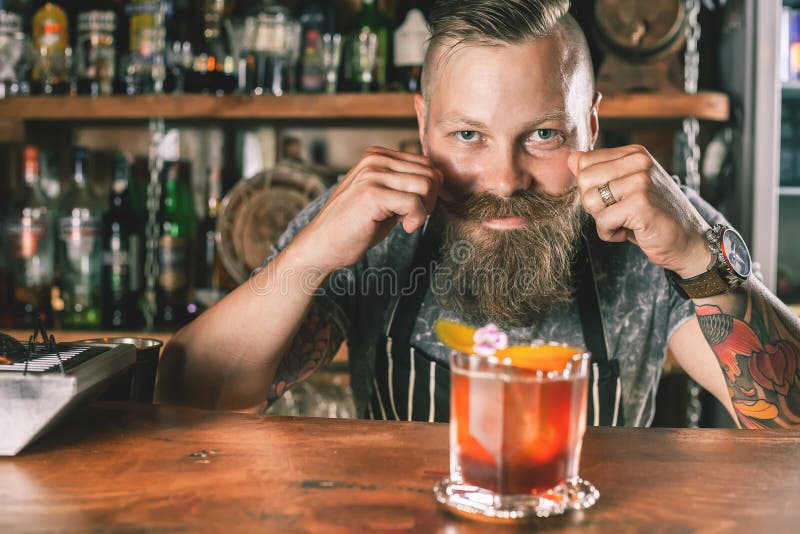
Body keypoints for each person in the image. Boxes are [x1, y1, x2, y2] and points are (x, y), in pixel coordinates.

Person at [156, 0, 800, 429]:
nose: (504, 178)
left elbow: (790, 428)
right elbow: (188, 397)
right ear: (422, 126)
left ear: (591, 124)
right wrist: (311, 253)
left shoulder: (658, 228)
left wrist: (695, 256)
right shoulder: (368, 228)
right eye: (468, 136)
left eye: (544, 135)